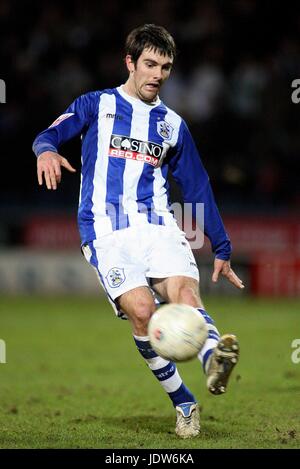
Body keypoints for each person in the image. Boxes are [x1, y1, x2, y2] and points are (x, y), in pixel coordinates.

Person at [33, 24, 244, 439]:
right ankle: (184, 403)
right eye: (149, 64)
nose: (157, 74)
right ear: (129, 62)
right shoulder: (96, 104)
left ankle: (213, 359)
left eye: (165, 67)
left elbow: (197, 185)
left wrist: (221, 244)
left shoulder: (172, 125)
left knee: (184, 295)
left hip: (158, 225)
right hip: (106, 232)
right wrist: (46, 151)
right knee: (144, 313)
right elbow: (49, 134)